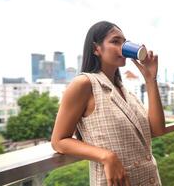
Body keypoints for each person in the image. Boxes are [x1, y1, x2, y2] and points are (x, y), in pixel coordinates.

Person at [51, 21, 166, 186]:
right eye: (115, 41)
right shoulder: (84, 84)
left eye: (124, 42)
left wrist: (150, 79)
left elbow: (158, 130)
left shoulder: (126, 92)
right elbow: (58, 141)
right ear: (96, 49)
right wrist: (106, 156)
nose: (122, 47)